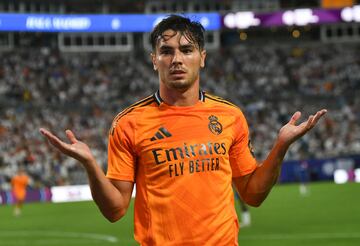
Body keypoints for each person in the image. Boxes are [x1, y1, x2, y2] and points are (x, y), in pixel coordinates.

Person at [39, 14, 327, 245]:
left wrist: (280, 147)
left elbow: (252, 195)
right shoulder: (129, 122)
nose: (176, 59)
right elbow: (115, 211)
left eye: (186, 50)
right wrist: (90, 163)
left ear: (202, 57)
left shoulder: (229, 116)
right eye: (166, 51)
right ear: (154, 60)